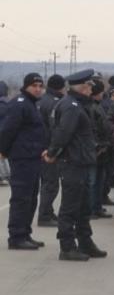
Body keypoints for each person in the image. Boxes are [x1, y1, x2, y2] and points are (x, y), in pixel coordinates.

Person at [44, 69, 107, 261]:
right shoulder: (71, 106)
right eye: (89, 85)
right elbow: (63, 133)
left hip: (81, 160)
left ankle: (85, 243)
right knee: (71, 206)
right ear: (82, 87)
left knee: (83, 206)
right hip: (73, 161)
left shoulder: (77, 104)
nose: (91, 89)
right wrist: (53, 153)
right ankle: (67, 246)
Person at [0, 73, 46, 250]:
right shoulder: (19, 104)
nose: (37, 89)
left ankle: (25, 233)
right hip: (22, 159)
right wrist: (3, 151)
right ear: (26, 86)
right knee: (21, 198)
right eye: (34, 85)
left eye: (40, 86)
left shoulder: (32, 104)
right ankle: (16, 237)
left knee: (31, 198)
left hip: (33, 157)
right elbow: (7, 130)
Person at [36, 74, 66, 226]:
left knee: (47, 183)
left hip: (39, 146)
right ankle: (45, 215)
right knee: (51, 184)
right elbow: (55, 128)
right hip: (49, 148)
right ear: (61, 87)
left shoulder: (41, 100)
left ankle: (48, 212)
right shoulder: (56, 103)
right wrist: (54, 149)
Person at [89, 79, 113, 219]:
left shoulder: (97, 106)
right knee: (93, 182)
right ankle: (91, 209)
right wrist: (98, 146)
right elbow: (93, 129)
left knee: (99, 180)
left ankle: (97, 207)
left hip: (103, 149)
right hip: (96, 150)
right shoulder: (92, 108)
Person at [0, 81, 10, 187]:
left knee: (1, 156)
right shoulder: (8, 103)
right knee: (4, 155)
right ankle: (7, 175)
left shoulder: (1, 105)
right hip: (6, 132)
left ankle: (3, 176)